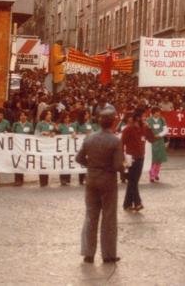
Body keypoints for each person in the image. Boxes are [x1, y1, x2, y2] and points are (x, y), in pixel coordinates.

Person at [75, 108, 124, 264]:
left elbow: (79, 158)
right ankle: (108, 254)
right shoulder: (115, 140)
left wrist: (92, 165)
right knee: (109, 218)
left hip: (91, 179)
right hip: (108, 181)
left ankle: (88, 253)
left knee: (90, 216)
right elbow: (118, 165)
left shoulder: (89, 138)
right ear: (113, 122)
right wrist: (125, 165)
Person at [121, 111, 155, 212]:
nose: (145, 119)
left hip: (141, 157)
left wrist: (150, 129)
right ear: (137, 118)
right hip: (131, 158)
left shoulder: (144, 128)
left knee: (133, 182)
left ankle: (127, 204)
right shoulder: (128, 129)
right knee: (133, 181)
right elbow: (121, 144)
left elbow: (152, 140)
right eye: (143, 117)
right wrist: (123, 160)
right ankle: (137, 203)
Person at [12, 110, 34, 186]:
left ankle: (21, 178)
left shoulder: (30, 125)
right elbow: (12, 134)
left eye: (24, 115)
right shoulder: (15, 125)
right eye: (21, 115)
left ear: (27, 116)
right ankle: (17, 179)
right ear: (19, 117)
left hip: (25, 147)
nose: (23, 117)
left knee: (23, 162)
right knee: (17, 162)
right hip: (17, 146)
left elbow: (32, 135)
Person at [146, 107, 168, 183]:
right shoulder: (148, 120)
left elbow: (166, 130)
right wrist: (152, 136)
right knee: (152, 159)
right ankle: (151, 175)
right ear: (153, 113)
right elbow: (146, 130)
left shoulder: (162, 120)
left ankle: (156, 174)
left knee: (159, 159)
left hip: (160, 141)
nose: (158, 114)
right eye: (156, 112)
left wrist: (160, 135)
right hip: (152, 141)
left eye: (159, 112)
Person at [36, 109, 57, 187]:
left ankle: (46, 180)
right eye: (48, 114)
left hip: (50, 146)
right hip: (42, 146)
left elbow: (57, 132)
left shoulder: (53, 124)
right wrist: (42, 133)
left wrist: (55, 132)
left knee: (47, 162)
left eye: (50, 114)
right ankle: (42, 181)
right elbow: (36, 134)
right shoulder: (40, 124)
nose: (50, 116)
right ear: (44, 115)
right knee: (42, 163)